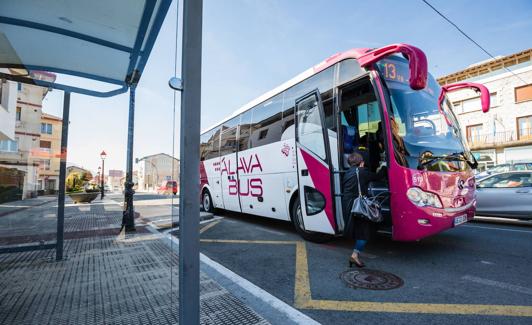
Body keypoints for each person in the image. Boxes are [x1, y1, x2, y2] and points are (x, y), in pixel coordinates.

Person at [342, 152, 386, 268]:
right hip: (359, 207)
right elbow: (378, 176)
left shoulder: (347, 173)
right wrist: (384, 166)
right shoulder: (362, 172)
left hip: (348, 205)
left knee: (360, 230)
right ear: (361, 163)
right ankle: (354, 255)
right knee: (364, 234)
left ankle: (355, 255)